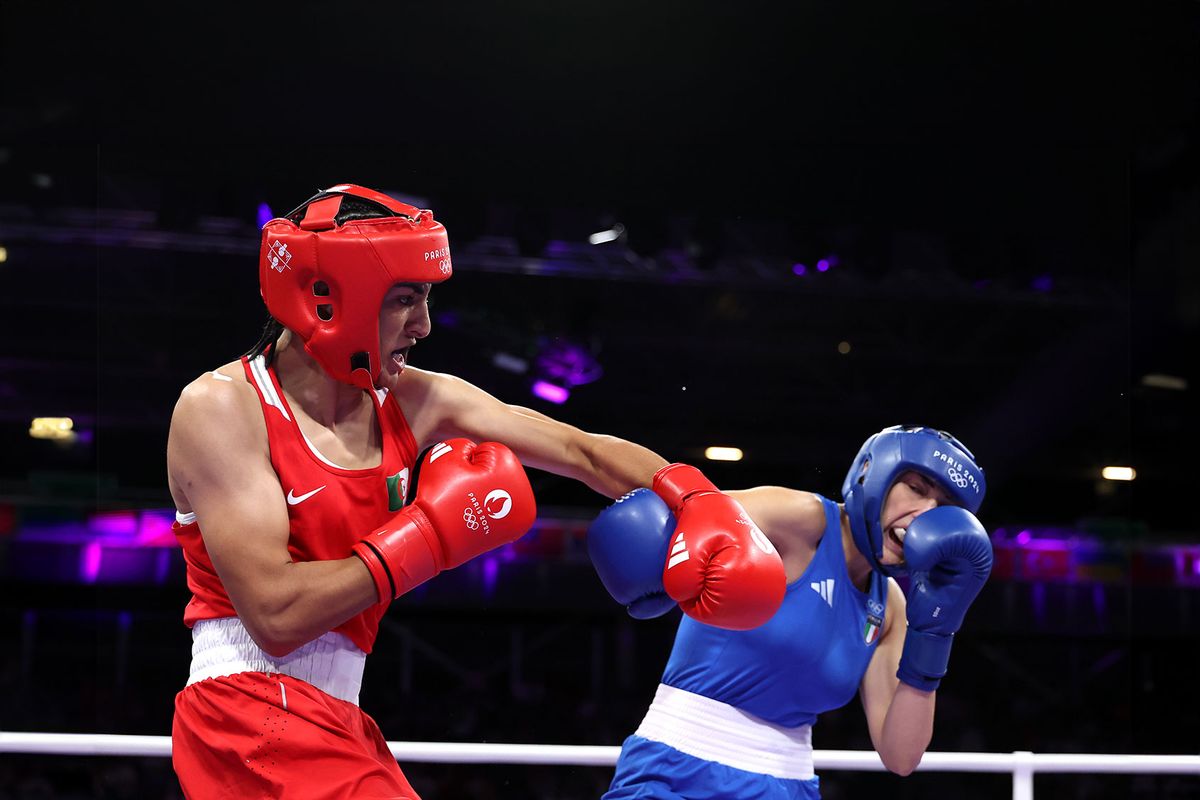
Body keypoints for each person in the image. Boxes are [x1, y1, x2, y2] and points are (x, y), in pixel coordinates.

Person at [165, 183, 786, 799]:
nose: (424, 325)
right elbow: (275, 616)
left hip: (337, 717)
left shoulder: (415, 401)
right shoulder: (223, 408)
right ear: (330, 298)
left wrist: (694, 497)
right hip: (247, 713)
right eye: (405, 299)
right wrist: (429, 536)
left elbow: (581, 451)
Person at [588, 424, 994, 799]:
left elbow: (901, 756)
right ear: (875, 474)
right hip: (677, 765)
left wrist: (936, 633)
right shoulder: (799, 519)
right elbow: (682, 502)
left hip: (788, 783)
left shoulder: (890, 606)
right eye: (917, 488)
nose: (927, 513)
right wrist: (574, 451)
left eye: (944, 506)